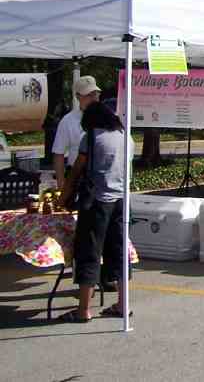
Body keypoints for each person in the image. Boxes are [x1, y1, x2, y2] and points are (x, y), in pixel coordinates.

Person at [58, 101, 134, 322]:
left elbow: (75, 173)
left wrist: (63, 198)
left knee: (89, 253)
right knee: (120, 252)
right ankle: (122, 304)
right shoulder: (124, 136)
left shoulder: (91, 138)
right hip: (122, 200)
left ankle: (83, 310)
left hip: (97, 203)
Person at [52, 76, 102, 187]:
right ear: (78, 96)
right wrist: (61, 184)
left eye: (95, 94)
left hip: (101, 178)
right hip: (77, 178)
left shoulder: (109, 118)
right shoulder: (68, 121)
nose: (94, 98)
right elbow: (58, 154)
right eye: (89, 95)